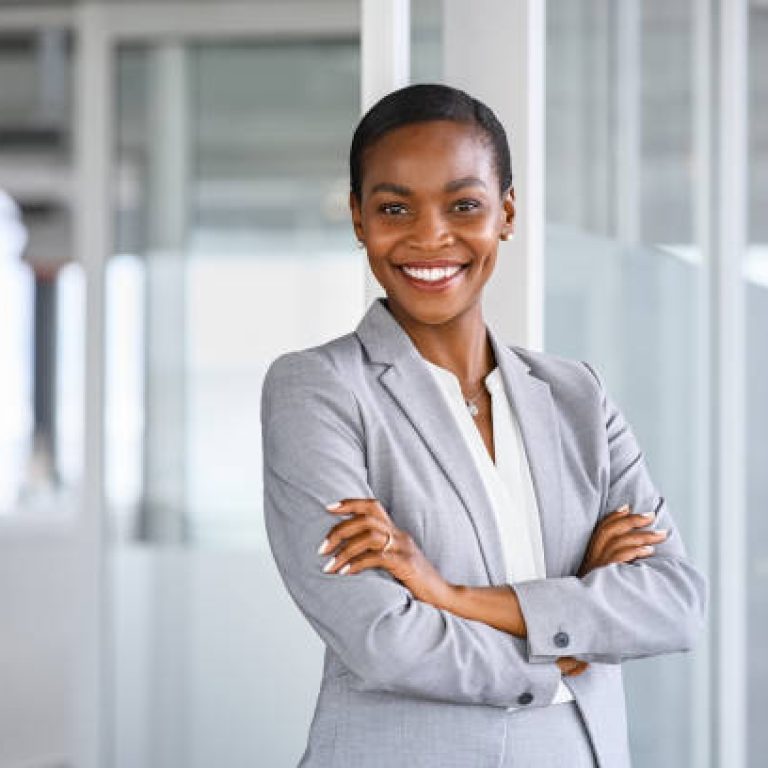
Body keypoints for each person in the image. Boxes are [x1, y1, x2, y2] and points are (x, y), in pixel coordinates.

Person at [261, 83, 707, 767]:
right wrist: (569, 649)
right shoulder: (318, 390)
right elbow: (383, 638)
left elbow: (673, 603)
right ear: (357, 218)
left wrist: (453, 596)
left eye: (463, 205)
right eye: (393, 207)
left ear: (506, 212)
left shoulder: (576, 397)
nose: (430, 235)